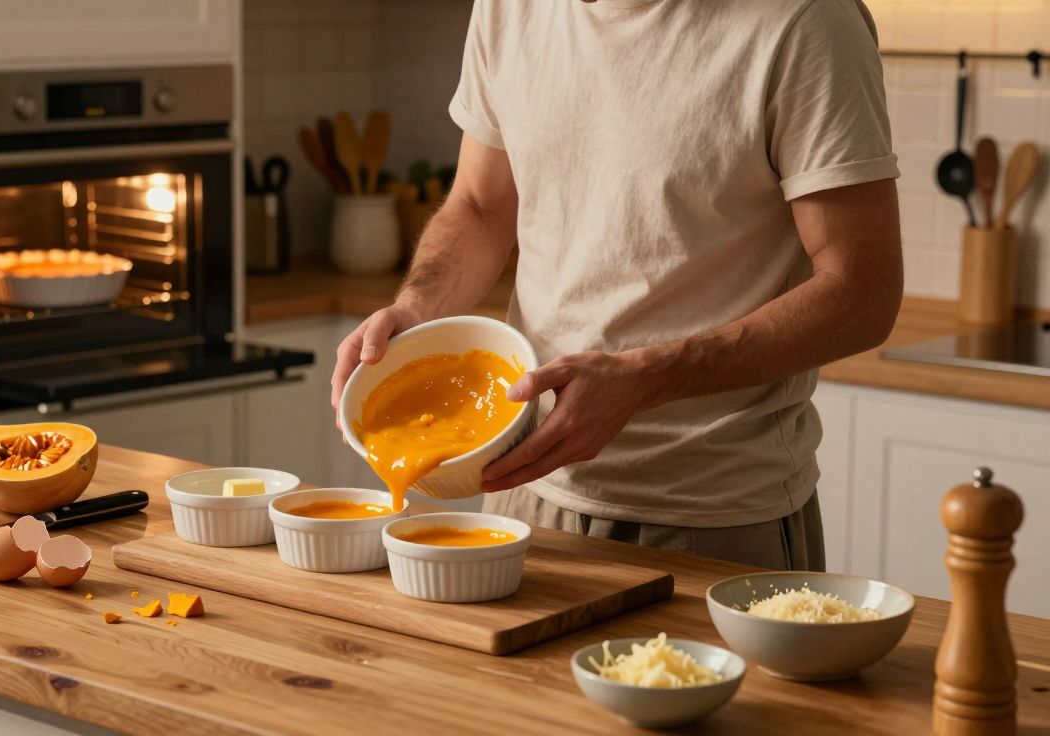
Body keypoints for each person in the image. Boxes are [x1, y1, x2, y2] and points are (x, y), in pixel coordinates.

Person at [330, 0, 903, 571]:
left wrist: (646, 378)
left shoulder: (806, 20)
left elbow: (862, 290)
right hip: (520, 489)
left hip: (710, 516)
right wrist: (415, 308)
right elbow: (481, 207)